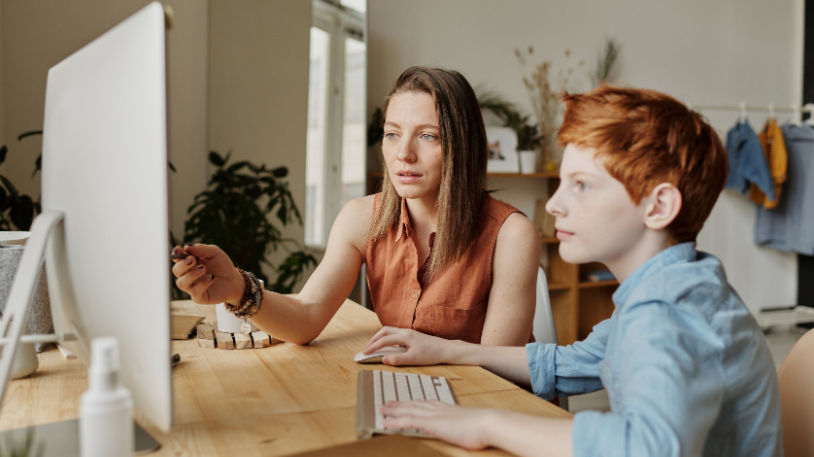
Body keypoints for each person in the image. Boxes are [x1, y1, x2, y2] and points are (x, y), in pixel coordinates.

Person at [362, 86, 783, 457]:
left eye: (581, 185)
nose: (553, 204)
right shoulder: (676, 286)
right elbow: (572, 363)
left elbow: (646, 447)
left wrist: (485, 424)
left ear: (658, 207)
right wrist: (449, 350)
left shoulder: (668, 312)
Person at [171, 66, 540, 346]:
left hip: (487, 410)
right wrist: (237, 287)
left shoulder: (512, 235)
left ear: (463, 146)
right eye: (392, 134)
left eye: (428, 136)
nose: (403, 154)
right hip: (413, 395)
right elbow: (306, 317)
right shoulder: (362, 218)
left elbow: (498, 371)